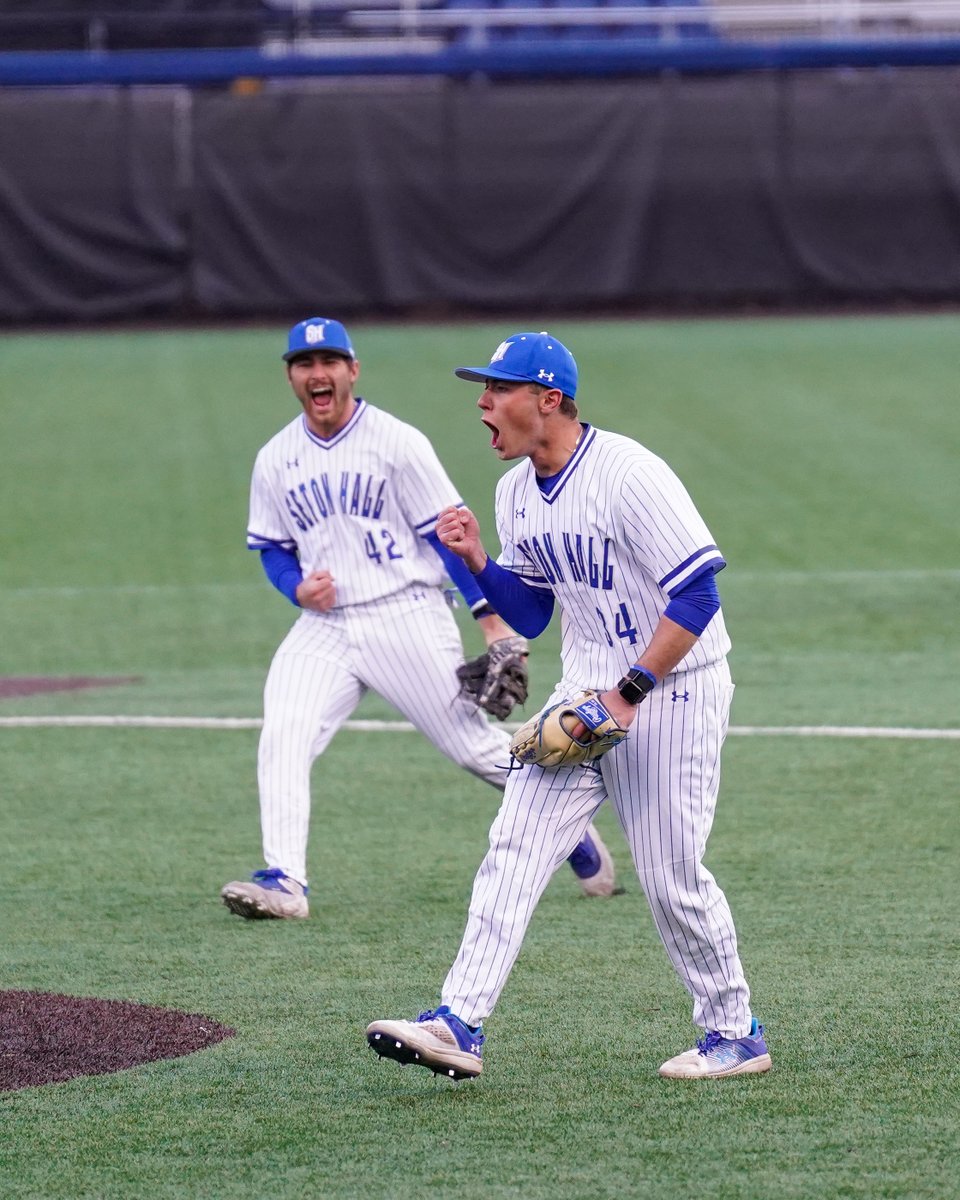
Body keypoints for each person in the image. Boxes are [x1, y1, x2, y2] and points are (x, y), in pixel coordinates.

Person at [366, 331, 771, 1080]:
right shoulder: (515, 489)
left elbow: (699, 594)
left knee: (670, 877)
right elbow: (533, 616)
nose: (483, 403)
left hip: (673, 688)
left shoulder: (627, 474)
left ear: (548, 399)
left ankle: (735, 1031)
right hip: (585, 689)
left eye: (497, 389)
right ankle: (459, 1023)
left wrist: (628, 694)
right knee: (514, 845)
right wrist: (477, 561)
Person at [220, 318, 618, 921]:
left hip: (406, 614)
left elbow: (447, 532)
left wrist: (490, 622)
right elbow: (272, 546)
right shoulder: (276, 457)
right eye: (304, 364)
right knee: (284, 732)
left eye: (329, 361)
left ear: (352, 370)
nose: (317, 373)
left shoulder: (396, 442)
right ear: (292, 376)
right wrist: (296, 587)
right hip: (325, 630)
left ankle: (573, 833)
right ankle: (285, 881)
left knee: (473, 749)